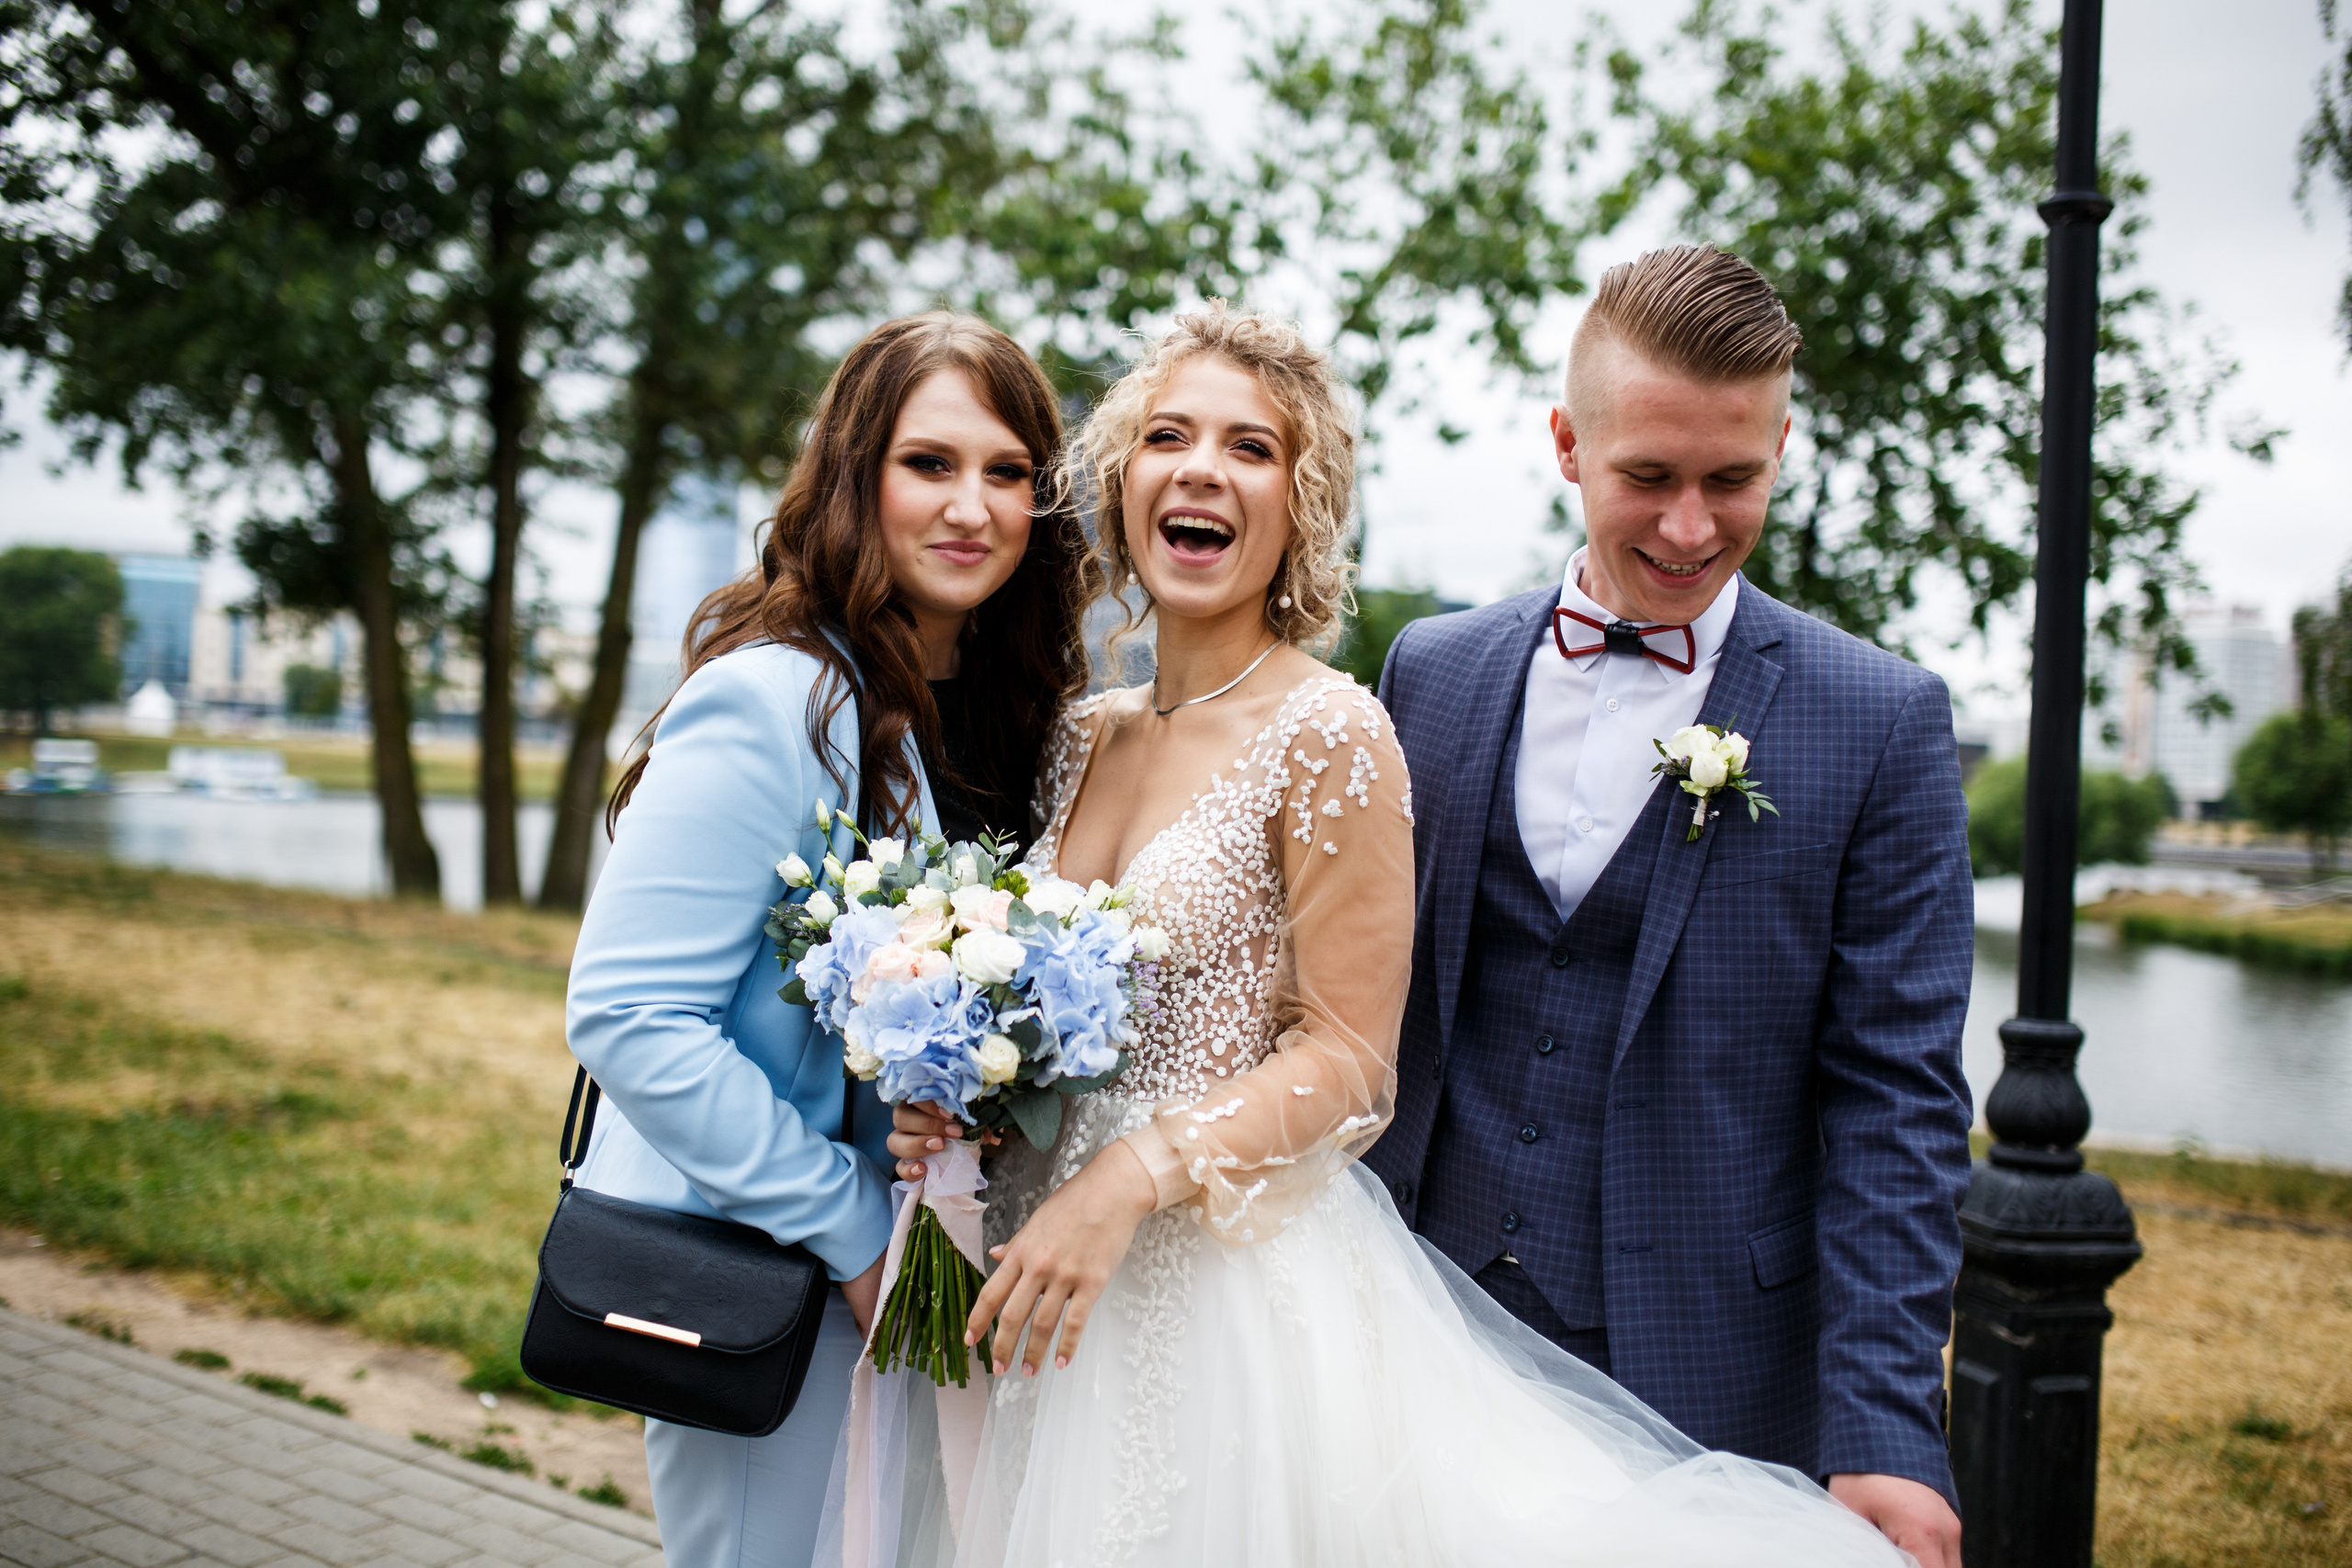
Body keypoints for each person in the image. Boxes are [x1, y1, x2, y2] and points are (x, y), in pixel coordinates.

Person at [868, 303, 1916, 1566]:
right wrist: (958, 1082)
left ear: (1301, 504)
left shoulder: (1336, 729)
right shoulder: (1079, 733)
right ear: (1119, 477)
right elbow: (1051, 1013)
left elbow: (1353, 1056)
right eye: (1170, 437)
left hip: (1215, 1303)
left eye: (1253, 449)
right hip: (1037, 1279)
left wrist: (1129, 1178)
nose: (1204, 469)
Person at [1362, 244, 1974, 1568]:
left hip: (1706, 1378)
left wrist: (1884, 1427)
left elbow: (1898, 1101)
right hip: (1412, 1326)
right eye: (1648, 477)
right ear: (1569, 446)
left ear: (1782, 445)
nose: (1690, 528)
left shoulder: (1882, 723)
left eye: (1732, 479)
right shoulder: (1433, 672)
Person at [563, 311, 1093, 1568]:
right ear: (857, 477)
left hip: (945, 1276)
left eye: (1009, 473)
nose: (972, 506)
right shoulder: (774, 699)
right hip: (780, 1282)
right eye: (931, 463)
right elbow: (630, 1016)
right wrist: (854, 1232)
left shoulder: (1016, 723)